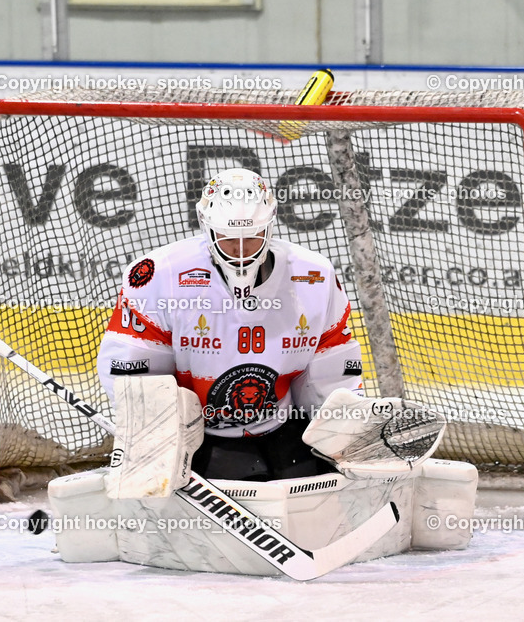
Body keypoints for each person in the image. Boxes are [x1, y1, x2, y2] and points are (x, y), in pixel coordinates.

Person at [97, 167, 363, 481]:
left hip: (280, 422)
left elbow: (329, 379)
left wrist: (344, 434)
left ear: (270, 225)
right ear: (206, 227)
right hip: (196, 432)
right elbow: (133, 376)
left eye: (251, 238)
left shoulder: (314, 276)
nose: (239, 251)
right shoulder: (158, 275)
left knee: (311, 478)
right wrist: (160, 437)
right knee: (240, 476)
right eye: (227, 238)